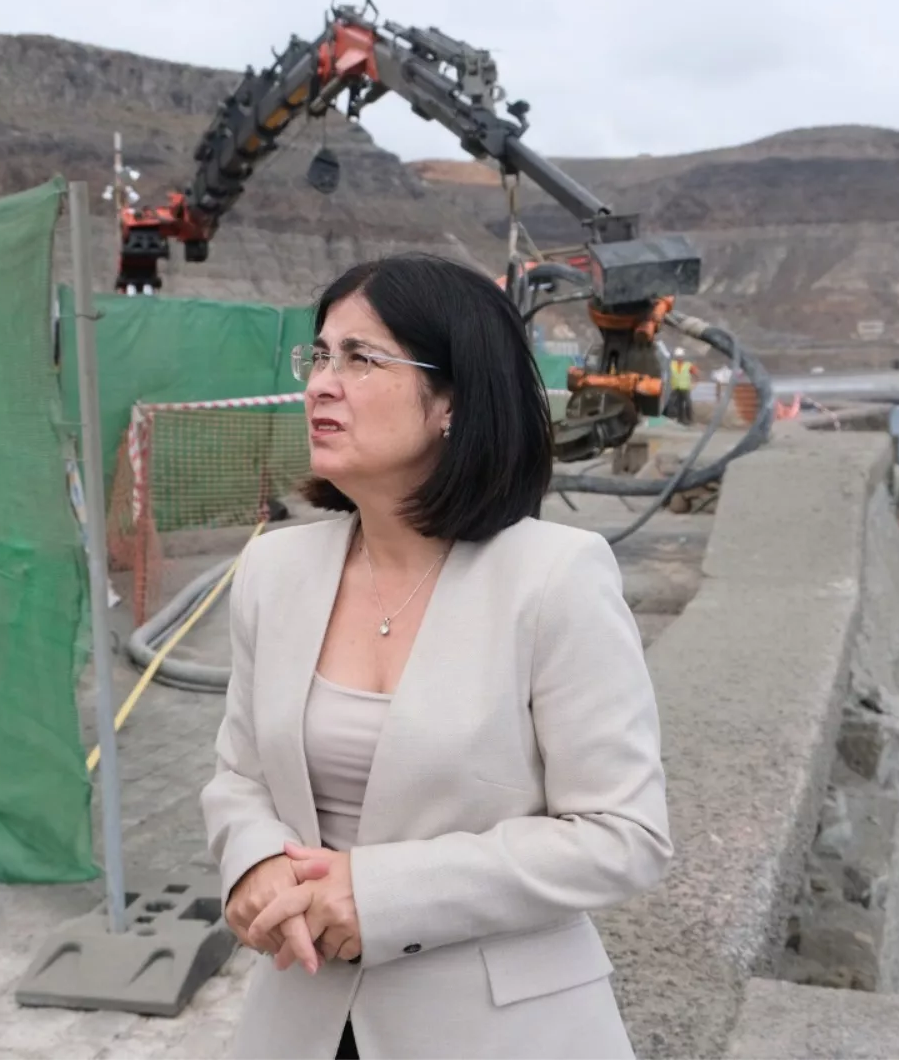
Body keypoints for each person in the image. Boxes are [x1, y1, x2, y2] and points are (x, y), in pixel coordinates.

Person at [201, 255, 672, 1058]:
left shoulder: (555, 576)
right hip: (301, 1018)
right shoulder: (275, 570)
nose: (320, 383)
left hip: (504, 1031)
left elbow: (623, 834)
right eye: (317, 356)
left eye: (360, 358)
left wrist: (380, 894)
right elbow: (239, 777)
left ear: (452, 399)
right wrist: (250, 868)